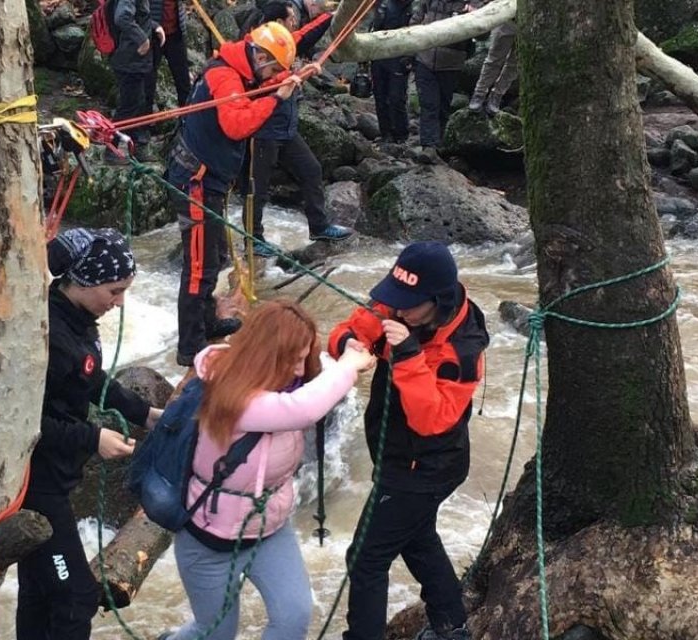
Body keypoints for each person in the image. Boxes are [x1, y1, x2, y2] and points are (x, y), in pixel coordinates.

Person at [165, 300, 378, 640]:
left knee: (293, 617)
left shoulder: (286, 386)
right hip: (208, 538)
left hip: (268, 528)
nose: (298, 369)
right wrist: (349, 367)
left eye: (303, 357)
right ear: (265, 355)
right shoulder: (230, 393)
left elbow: (314, 389)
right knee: (215, 632)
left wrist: (345, 355)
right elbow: (302, 409)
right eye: (291, 359)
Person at [328, 241, 490, 640]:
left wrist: (407, 353)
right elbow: (355, 326)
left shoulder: (461, 350)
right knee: (418, 539)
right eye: (394, 300)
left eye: (408, 304)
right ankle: (452, 627)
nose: (397, 310)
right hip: (398, 453)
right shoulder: (403, 306)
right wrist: (347, 343)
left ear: (437, 300)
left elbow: (431, 420)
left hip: (426, 466)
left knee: (366, 558)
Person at [17, 227, 165, 640]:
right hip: (37, 483)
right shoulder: (48, 336)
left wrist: (145, 413)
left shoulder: (77, 319)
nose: (119, 303)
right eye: (114, 291)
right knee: (75, 597)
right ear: (82, 281)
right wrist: (92, 439)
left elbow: (90, 378)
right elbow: (25, 422)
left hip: (56, 478)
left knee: (37, 589)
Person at [164, 21, 304, 367]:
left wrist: (284, 81)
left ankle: (207, 320)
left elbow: (260, 86)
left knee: (212, 260)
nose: (272, 74)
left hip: (208, 179)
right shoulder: (225, 77)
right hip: (195, 180)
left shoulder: (243, 69)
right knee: (198, 265)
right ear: (258, 56)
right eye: (272, 67)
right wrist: (276, 98)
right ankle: (190, 346)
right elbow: (236, 124)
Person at [244, 1, 355, 258]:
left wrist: (334, 15)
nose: (295, 21)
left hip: (286, 129)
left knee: (311, 170)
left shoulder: (283, 44)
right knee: (257, 188)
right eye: (291, 18)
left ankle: (319, 226)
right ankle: (253, 239)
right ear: (279, 22)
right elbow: (267, 86)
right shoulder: (260, 51)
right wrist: (299, 75)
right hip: (262, 131)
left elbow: (307, 35)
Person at [410, 0, 475, 149]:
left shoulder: (469, 3)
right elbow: (414, 24)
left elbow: (483, 33)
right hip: (424, 60)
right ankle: (429, 146)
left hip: (451, 64)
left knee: (443, 106)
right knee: (429, 105)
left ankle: (438, 144)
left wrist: (473, 14)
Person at [111, 0, 166, 162]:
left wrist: (154, 25)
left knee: (139, 102)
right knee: (129, 106)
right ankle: (111, 148)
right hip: (129, 60)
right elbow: (122, 17)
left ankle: (137, 148)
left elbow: (139, 16)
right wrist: (142, 39)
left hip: (136, 60)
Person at [370, 0, 415, 145]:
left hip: (400, 57)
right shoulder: (382, 4)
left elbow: (417, 34)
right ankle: (386, 133)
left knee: (396, 97)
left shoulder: (415, 7)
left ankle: (401, 133)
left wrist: (410, 57)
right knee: (380, 96)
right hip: (379, 54)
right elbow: (373, 29)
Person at [467, 18, 516, 117]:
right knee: (494, 60)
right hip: (508, 18)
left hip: (529, 24)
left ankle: (497, 96)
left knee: (514, 65)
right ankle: (479, 94)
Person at [149, 0, 192, 109]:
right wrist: (153, 26)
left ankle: (186, 120)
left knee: (183, 81)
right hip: (153, 35)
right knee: (148, 83)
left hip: (176, 33)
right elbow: (136, 11)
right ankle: (144, 121)